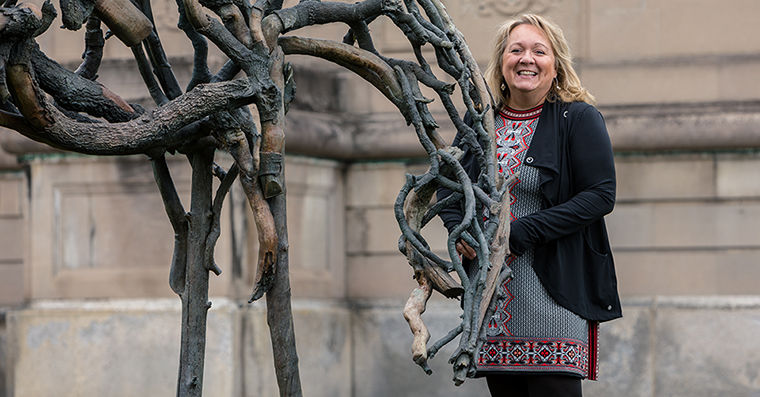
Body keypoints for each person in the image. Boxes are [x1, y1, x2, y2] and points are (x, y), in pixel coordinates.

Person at [437, 14, 622, 397]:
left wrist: (519, 232)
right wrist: (459, 231)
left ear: (555, 66)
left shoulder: (579, 118)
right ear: (501, 64)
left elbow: (600, 194)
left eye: (539, 51)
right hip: (494, 296)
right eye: (516, 49)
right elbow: (450, 186)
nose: (527, 58)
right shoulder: (479, 123)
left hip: (555, 291)